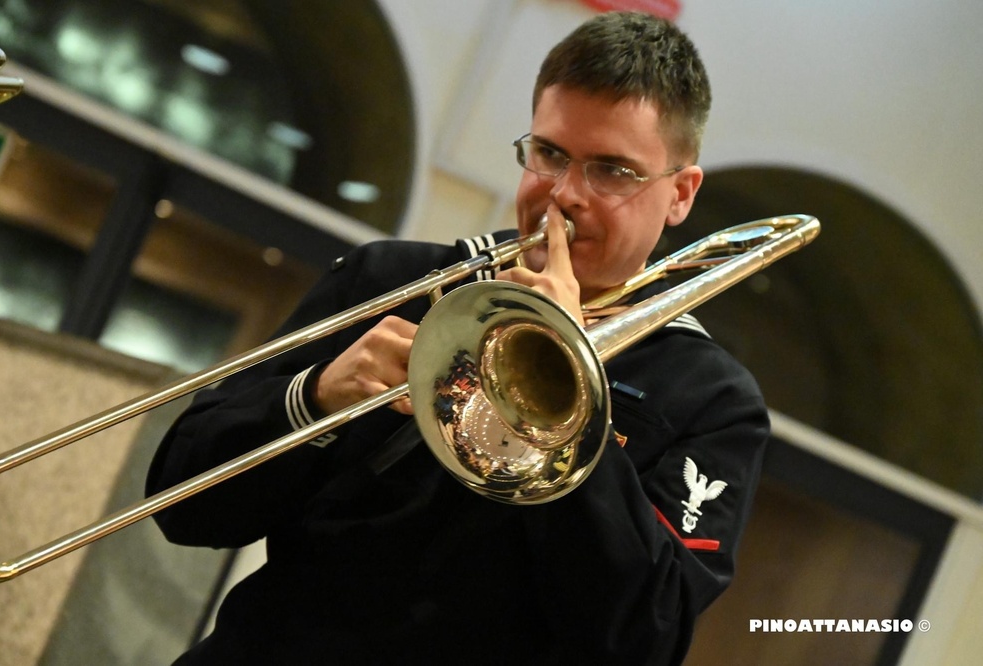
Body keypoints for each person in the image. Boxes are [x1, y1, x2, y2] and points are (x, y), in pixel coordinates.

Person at [147, 11, 769, 665]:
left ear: (681, 194)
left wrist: (571, 403)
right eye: (550, 154)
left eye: (613, 171)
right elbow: (182, 502)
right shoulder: (394, 280)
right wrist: (317, 397)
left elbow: (646, 637)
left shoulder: (711, 399)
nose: (565, 195)